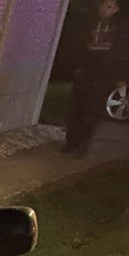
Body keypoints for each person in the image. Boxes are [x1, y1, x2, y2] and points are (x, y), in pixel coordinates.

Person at [64, 0, 129, 154]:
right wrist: (77, 65)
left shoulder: (121, 28)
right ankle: (71, 142)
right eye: (103, 5)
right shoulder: (89, 23)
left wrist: (121, 76)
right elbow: (77, 44)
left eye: (110, 7)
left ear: (116, 9)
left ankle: (83, 144)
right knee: (76, 107)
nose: (105, 10)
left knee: (93, 110)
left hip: (104, 74)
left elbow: (123, 54)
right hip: (85, 71)